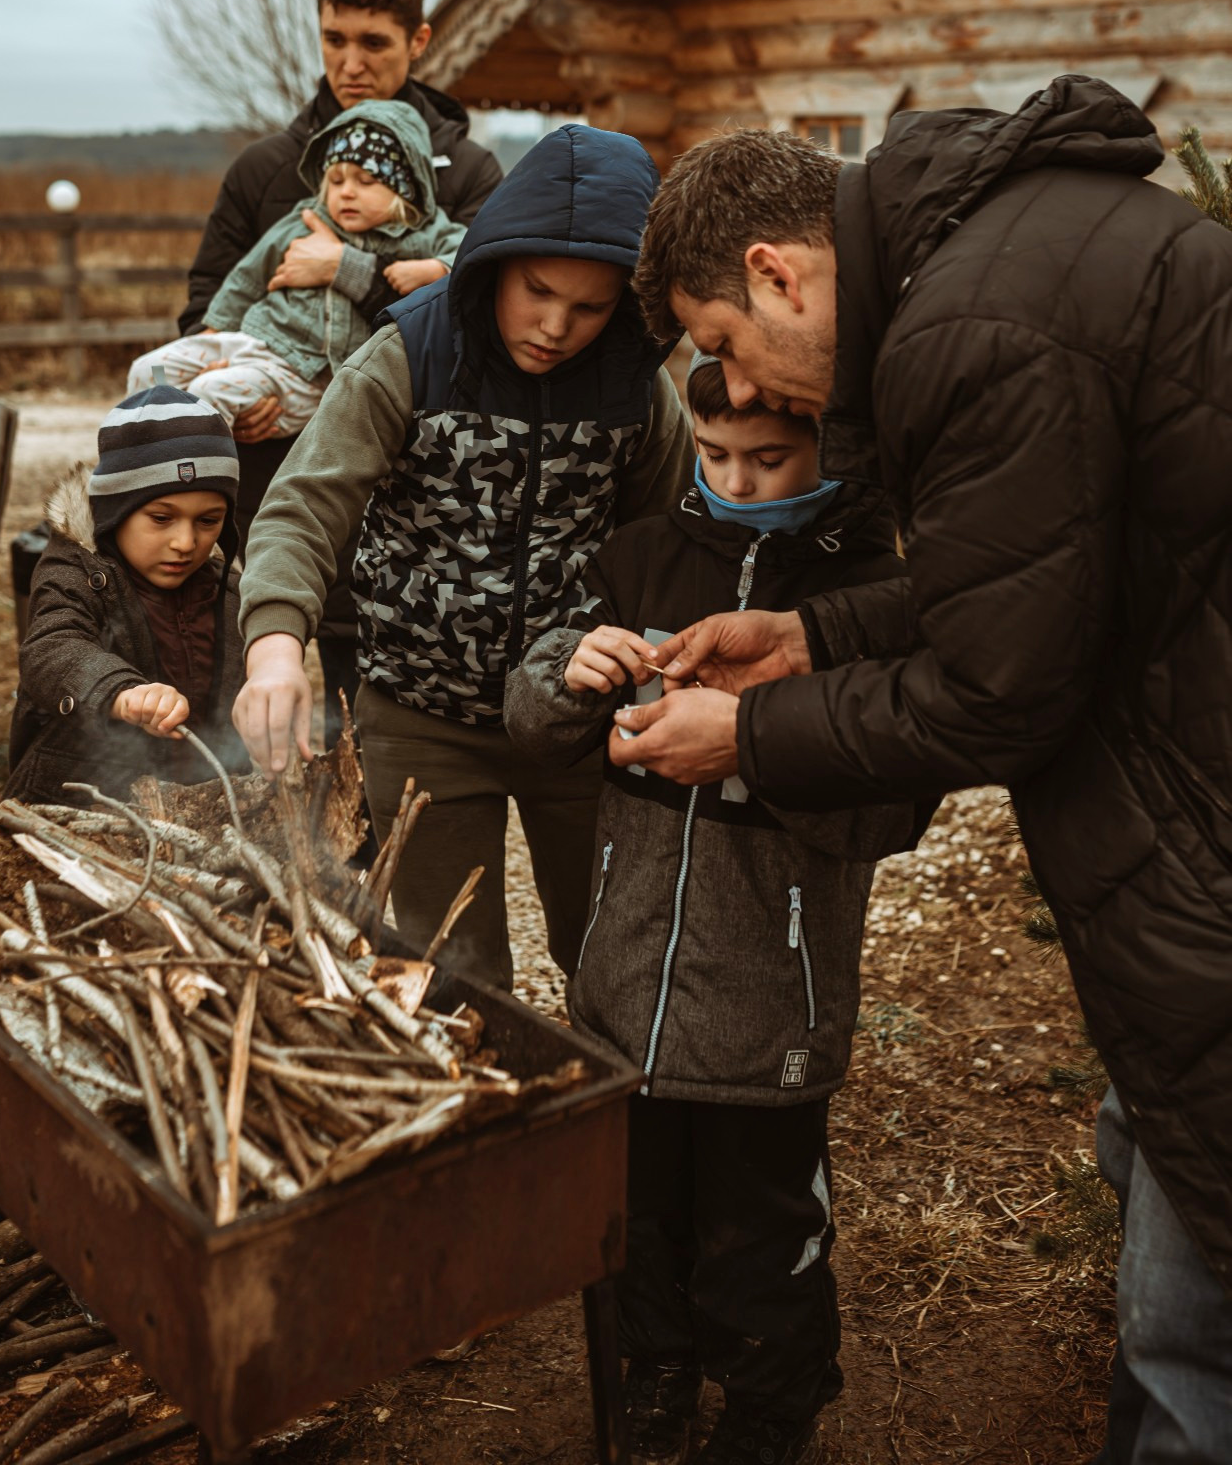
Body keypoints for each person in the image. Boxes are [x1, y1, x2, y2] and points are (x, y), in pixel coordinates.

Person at [611, 80, 1232, 1465]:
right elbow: (1035, 568)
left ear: (776, 273)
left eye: (727, 344)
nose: (751, 391)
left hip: (1204, 822)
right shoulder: (1001, 251)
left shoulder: (967, 323)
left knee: (1195, 1307)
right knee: (1162, 1178)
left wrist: (747, 737)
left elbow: (998, 691)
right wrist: (807, 632)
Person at [504, 354, 925, 1465]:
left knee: (762, 1229)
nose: (738, 480)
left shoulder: (870, 593)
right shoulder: (643, 554)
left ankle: (772, 1397)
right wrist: (568, 672)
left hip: (765, 1011)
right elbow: (535, 722)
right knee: (639, 1215)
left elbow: (890, 804)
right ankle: (657, 1368)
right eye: (717, 456)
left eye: (772, 459)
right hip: (625, 990)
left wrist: (760, 736)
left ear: (835, 444)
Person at [232, 124, 694, 991]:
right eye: (537, 292)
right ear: (495, 264)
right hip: (420, 718)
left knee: (609, 955)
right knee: (455, 974)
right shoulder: (410, 353)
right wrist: (274, 648)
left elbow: (668, 540)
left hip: (579, 718)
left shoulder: (638, 384)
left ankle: (620, 1121)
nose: (554, 328)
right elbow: (302, 505)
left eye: (590, 308)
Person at [180, 0, 504, 733]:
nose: (349, 62)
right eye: (333, 39)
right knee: (262, 713)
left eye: (374, 42)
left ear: (418, 41)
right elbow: (203, 309)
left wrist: (350, 272)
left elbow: (486, 321)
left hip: (407, 495)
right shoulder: (267, 171)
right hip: (268, 479)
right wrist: (239, 386)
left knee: (378, 724)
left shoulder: (466, 176)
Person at [128, 101, 464, 433]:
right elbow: (249, 277)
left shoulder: (426, 234)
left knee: (211, 392)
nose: (346, 193)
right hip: (254, 341)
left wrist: (435, 268)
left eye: (365, 181)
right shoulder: (307, 220)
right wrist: (214, 332)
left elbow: (466, 256)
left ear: (404, 187)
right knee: (148, 369)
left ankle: (196, 480)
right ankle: (145, 465)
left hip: (310, 377)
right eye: (335, 181)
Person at [3, 386, 246, 806]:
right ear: (116, 509)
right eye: (161, 518)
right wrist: (121, 693)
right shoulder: (75, 572)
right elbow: (50, 648)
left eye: (208, 521)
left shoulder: (228, 590)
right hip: (81, 802)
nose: (185, 542)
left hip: (202, 802)